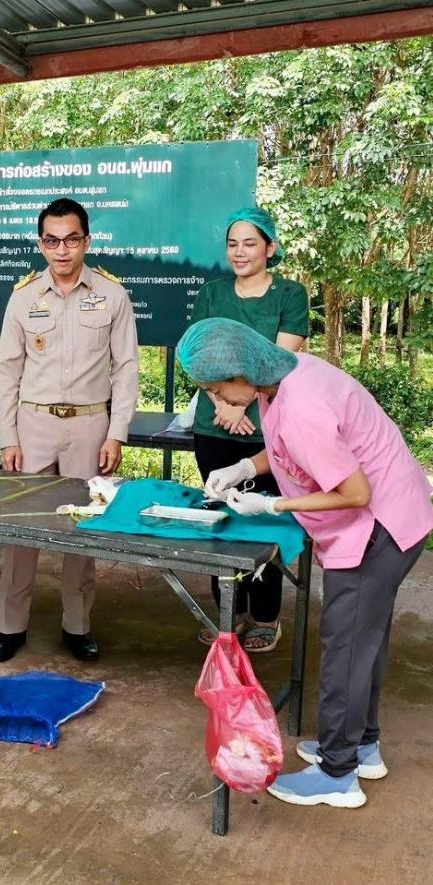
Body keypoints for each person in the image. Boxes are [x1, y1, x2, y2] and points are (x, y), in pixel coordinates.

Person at [177, 317, 433, 809]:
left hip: (379, 527)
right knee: (364, 640)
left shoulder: (302, 407)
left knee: (346, 646)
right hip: (398, 514)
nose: (215, 399)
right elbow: (285, 449)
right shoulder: (287, 375)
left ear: (240, 373)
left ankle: (338, 774)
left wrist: (273, 504)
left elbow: (355, 493)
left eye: (216, 389)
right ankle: (362, 745)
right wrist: (245, 467)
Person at [0, 197, 139, 663]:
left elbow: (126, 369)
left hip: (89, 425)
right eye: (52, 241)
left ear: (86, 241)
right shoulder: (23, 297)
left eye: (71, 239)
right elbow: (7, 372)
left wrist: (116, 433)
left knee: (82, 528)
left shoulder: (112, 295)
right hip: (33, 425)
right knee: (20, 527)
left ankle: (77, 625)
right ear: (41, 244)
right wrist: (9, 436)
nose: (62, 250)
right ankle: (11, 627)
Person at [190, 207, 308, 653]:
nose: (240, 252)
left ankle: (265, 616)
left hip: (268, 430)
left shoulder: (290, 295)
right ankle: (228, 613)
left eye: (250, 243)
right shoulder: (212, 293)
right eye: (233, 244)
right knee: (220, 517)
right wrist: (222, 403)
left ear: (270, 248)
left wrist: (241, 405)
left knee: (263, 520)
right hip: (214, 424)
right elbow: (196, 357)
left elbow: (279, 363)